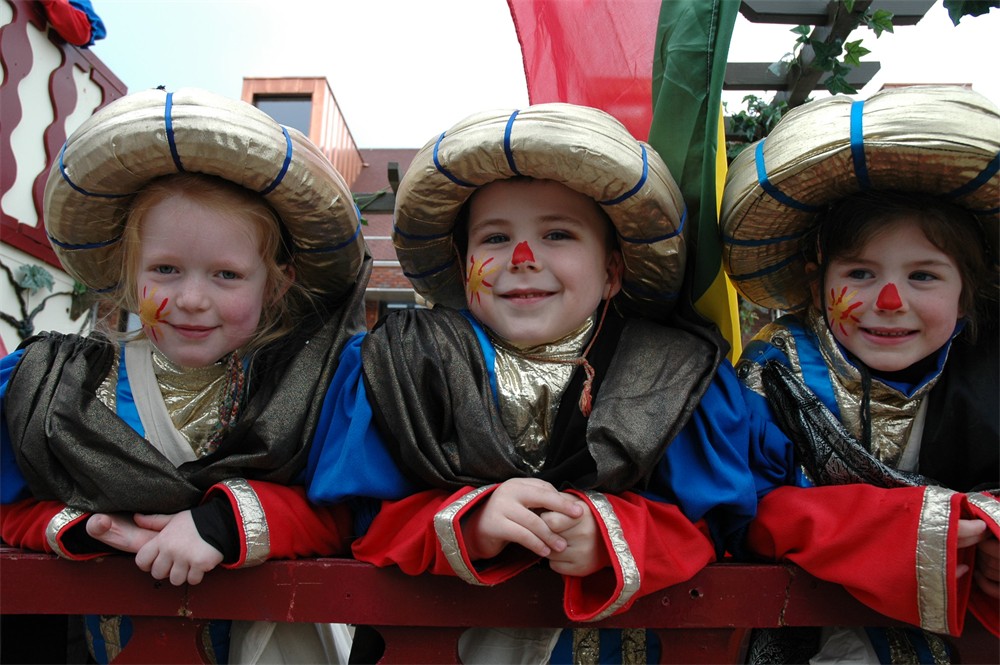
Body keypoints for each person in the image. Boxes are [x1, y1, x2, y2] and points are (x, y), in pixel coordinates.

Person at [306, 103, 794, 664]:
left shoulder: (676, 376)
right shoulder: (400, 364)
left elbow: (712, 527)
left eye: (558, 234)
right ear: (463, 267)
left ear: (612, 271)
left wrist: (613, 534)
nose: (521, 258)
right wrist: (468, 524)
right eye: (493, 239)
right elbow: (356, 522)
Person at [0, 87, 369, 664]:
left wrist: (225, 522)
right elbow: (12, 510)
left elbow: (342, 516)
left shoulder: (312, 389)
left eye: (226, 274)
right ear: (128, 274)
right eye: (165, 270)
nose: (192, 299)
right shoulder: (56, 386)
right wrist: (82, 526)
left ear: (275, 284)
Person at [720, 85, 999, 663]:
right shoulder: (774, 377)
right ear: (817, 283)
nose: (890, 299)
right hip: (807, 627)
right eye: (861, 272)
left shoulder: (988, 373)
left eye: (923, 276)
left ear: (967, 298)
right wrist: (899, 531)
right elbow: (747, 509)